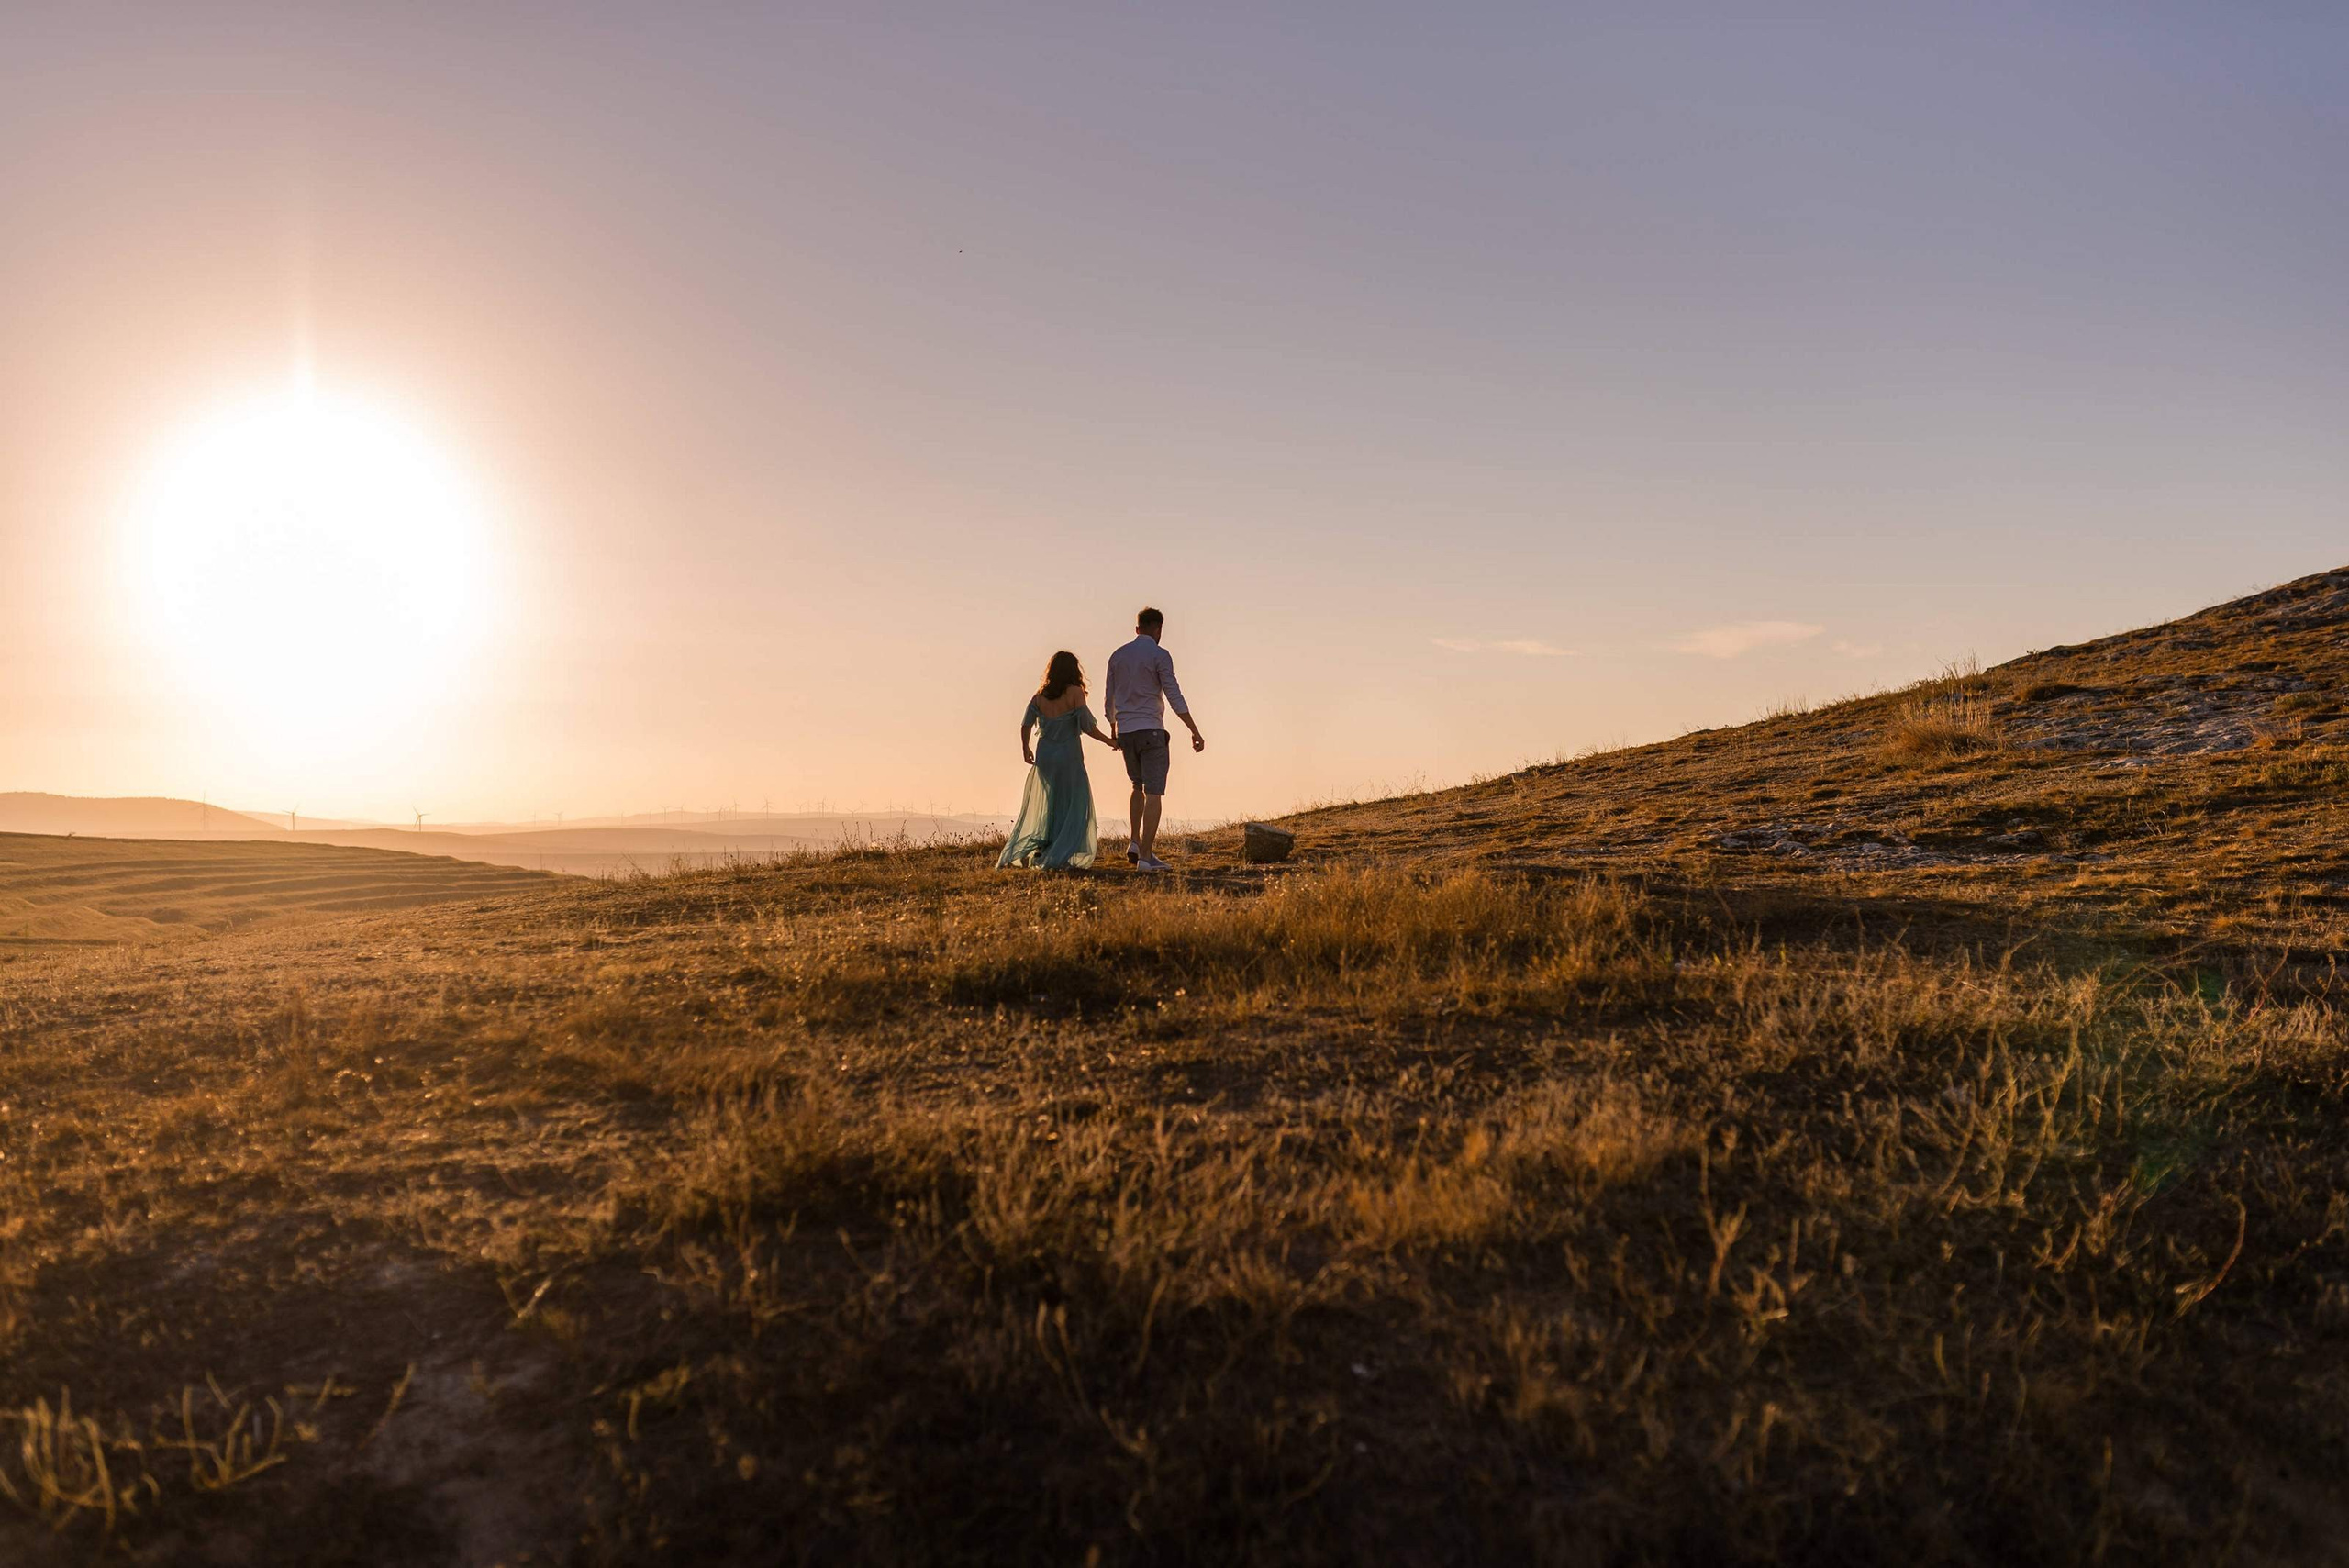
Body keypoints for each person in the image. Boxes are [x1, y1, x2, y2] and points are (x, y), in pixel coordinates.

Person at [998, 650, 1119, 870]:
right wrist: (1110, 741)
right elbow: (1087, 727)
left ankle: (1043, 848)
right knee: (1073, 803)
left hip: (1045, 757)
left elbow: (1026, 724)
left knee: (1050, 802)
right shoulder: (1075, 692)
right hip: (1069, 756)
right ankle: (1062, 851)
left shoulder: (1039, 697)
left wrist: (1025, 748)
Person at [1104, 606, 1205, 872]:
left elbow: (1109, 697)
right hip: (1150, 728)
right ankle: (1147, 857)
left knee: (1136, 785)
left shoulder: (1117, 656)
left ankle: (1134, 842)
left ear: (1137, 629)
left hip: (1126, 730)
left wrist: (1113, 725)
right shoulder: (1160, 655)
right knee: (1154, 792)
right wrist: (1194, 730)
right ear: (1158, 629)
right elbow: (1173, 695)